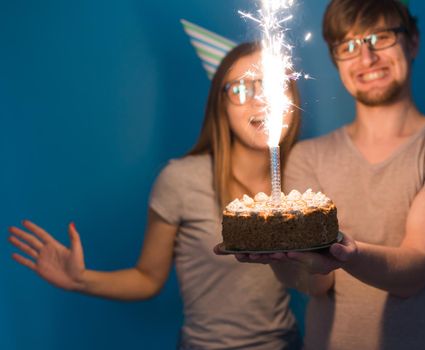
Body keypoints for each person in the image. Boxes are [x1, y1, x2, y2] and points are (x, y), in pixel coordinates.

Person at [8, 42, 303, 350]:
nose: (261, 100)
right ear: (221, 105)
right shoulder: (181, 180)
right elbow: (147, 278)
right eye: (242, 89)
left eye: (272, 85)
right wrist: (82, 280)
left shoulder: (304, 181)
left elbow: (317, 280)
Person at [237, 1, 425, 349]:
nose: (367, 58)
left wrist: (345, 253)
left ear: (412, 41)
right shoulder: (309, 156)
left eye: (381, 37)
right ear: (335, 59)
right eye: (349, 46)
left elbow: (415, 271)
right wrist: (282, 256)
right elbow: (316, 283)